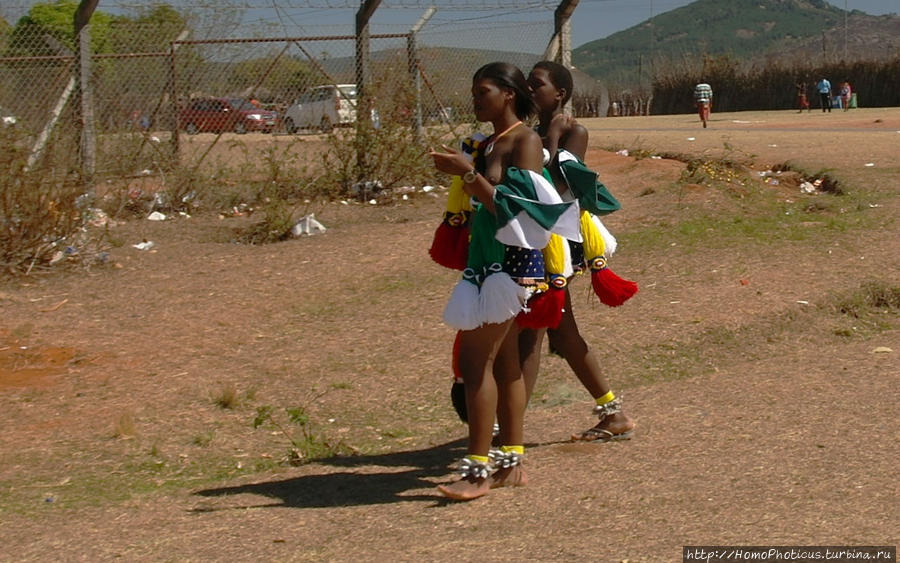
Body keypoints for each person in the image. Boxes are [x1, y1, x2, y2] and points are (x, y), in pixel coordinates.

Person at [429, 62, 581, 501]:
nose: (475, 100)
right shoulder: (491, 142)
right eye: (474, 92)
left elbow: (521, 211)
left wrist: (467, 173)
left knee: (477, 364)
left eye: (483, 92)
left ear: (508, 95)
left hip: (509, 267)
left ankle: (477, 472)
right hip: (489, 262)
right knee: (505, 363)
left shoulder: (525, 141)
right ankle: (511, 465)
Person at [524, 60, 636, 442]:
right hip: (535, 238)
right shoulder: (529, 132)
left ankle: (504, 432)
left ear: (560, 94)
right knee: (561, 333)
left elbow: (556, 183)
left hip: (557, 243)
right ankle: (612, 413)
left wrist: (552, 137)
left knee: (533, 333)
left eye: (537, 84)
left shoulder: (574, 131)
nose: (530, 89)